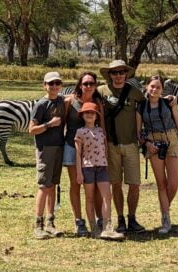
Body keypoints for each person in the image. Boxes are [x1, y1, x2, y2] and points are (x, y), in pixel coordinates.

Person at [136, 76, 178, 234]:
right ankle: (165, 218)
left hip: (171, 140)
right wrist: (147, 144)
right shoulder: (141, 106)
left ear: (162, 89)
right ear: (147, 87)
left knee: (173, 184)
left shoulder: (168, 103)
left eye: (158, 87)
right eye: (152, 86)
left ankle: (165, 208)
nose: (154, 89)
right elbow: (138, 132)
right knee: (161, 183)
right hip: (153, 143)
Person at [97, 59, 146, 234]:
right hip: (111, 144)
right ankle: (120, 219)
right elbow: (84, 98)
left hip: (131, 144)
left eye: (121, 72)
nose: (118, 76)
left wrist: (168, 99)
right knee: (115, 184)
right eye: (114, 73)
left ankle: (132, 218)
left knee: (134, 184)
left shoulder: (135, 92)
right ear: (109, 75)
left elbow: (149, 104)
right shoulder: (101, 91)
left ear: (126, 74)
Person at [63, 71, 105, 237]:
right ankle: (79, 221)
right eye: (85, 83)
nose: (88, 86)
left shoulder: (97, 103)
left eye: (91, 84)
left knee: (93, 185)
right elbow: (62, 125)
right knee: (75, 184)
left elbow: (102, 128)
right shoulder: (69, 101)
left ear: (95, 86)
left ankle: (99, 219)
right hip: (71, 147)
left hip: (93, 150)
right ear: (80, 85)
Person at [74, 101, 124, 241]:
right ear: (82, 115)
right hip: (87, 168)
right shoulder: (80, 132)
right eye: (87, 113)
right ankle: (94, 228)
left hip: (102, 167)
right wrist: (79, 172)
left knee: (107, 196)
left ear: (96, 116)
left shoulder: (101, 131)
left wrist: (107, 165)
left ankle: (107, 227)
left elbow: (105, 150)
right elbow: (78, 154)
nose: (89, 115)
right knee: (89, 198)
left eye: (92, 113)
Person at [28, 70, 67, 239]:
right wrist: (49, 124)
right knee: (44, 186)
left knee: (52, 186)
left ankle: (51, 223)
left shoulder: (61, 101)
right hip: (45, 149)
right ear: (45, 85)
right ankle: (38, 225)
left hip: (59, 147)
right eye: (51, 83)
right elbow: (31, 130)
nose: (54, 86)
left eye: (57, 83)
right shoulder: (41, 105)